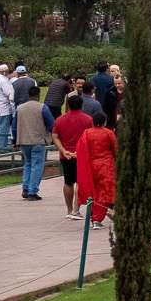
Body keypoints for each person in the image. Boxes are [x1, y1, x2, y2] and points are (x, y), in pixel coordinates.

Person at [53, 91, 93, 220]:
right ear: (81, 105)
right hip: (82, 155)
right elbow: (90, 137)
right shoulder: (88, 119)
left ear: (68, 105)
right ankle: (76, 210)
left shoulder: (59, 120)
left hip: (66, 155)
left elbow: (55, 136)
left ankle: (69, 209)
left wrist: (63, 150)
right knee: (80, 182)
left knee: (68, 182)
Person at [14, 85, 55, 200]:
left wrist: (14, 141)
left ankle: (25, 188)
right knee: (37, 166)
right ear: (38, 95)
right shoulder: (43, 107)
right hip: (38, 140)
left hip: (23, 140)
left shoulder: (19, 108)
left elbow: (14, 126)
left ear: (28, 94)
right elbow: (52, 124)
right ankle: (32, 191)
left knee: (28, 164)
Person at [79, 111, 118, 229]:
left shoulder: (86, 133)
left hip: (91, 165)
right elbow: (115, 149)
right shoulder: (109, 133)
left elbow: (82, 148)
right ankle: (97, 219)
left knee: (94, 192)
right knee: (104, 193)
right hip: (106, 166)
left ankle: (93, 216)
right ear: (104, 121)